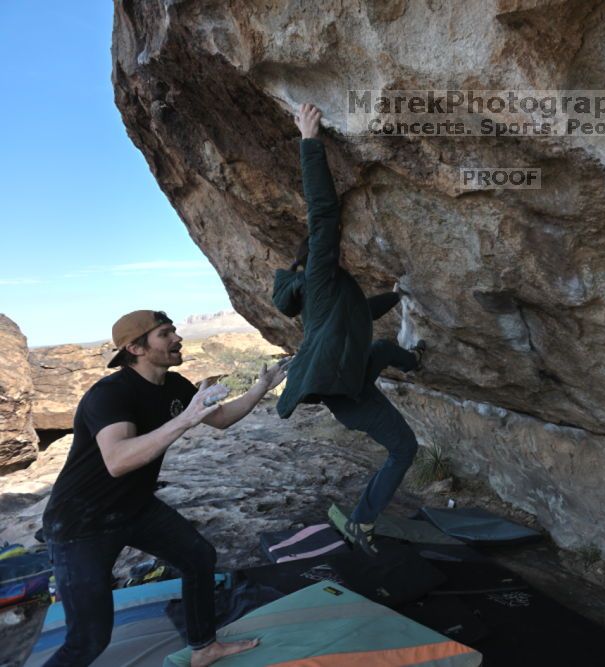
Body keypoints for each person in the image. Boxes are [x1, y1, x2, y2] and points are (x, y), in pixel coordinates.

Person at [40, 309, 286, 666]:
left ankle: (204, 647)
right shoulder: (110, 394)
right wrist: (185, 419)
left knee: (198, 557)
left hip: (135, 508)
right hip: (81, 523)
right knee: (89, 640)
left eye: (175, 331)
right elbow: (118, 460)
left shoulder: (174, 385)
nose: (177, 338)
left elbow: (220, 419)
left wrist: (261, 387)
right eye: (165, 333)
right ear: (136, 348)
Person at [272, 103, 425, 557]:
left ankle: (416, 362)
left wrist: (396, 297)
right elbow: (322, 213)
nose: (336, 250)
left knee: (383, 349)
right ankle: (362, 521)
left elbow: (361, 313)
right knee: (404, 448)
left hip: (349, 373)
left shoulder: (327, 291)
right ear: (315, 257)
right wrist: (309, 141)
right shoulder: (319, 275)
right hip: (347, 392)